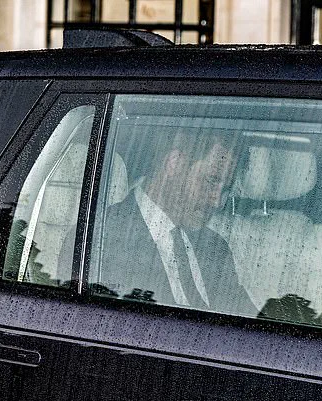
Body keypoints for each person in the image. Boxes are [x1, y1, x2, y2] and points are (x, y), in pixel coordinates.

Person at [93, 127, 258, 317]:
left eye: (225, 190)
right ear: (174, 164)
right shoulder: (101, 240)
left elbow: (249, 321)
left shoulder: (216, 248)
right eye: (212, 181)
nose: (217, 202)